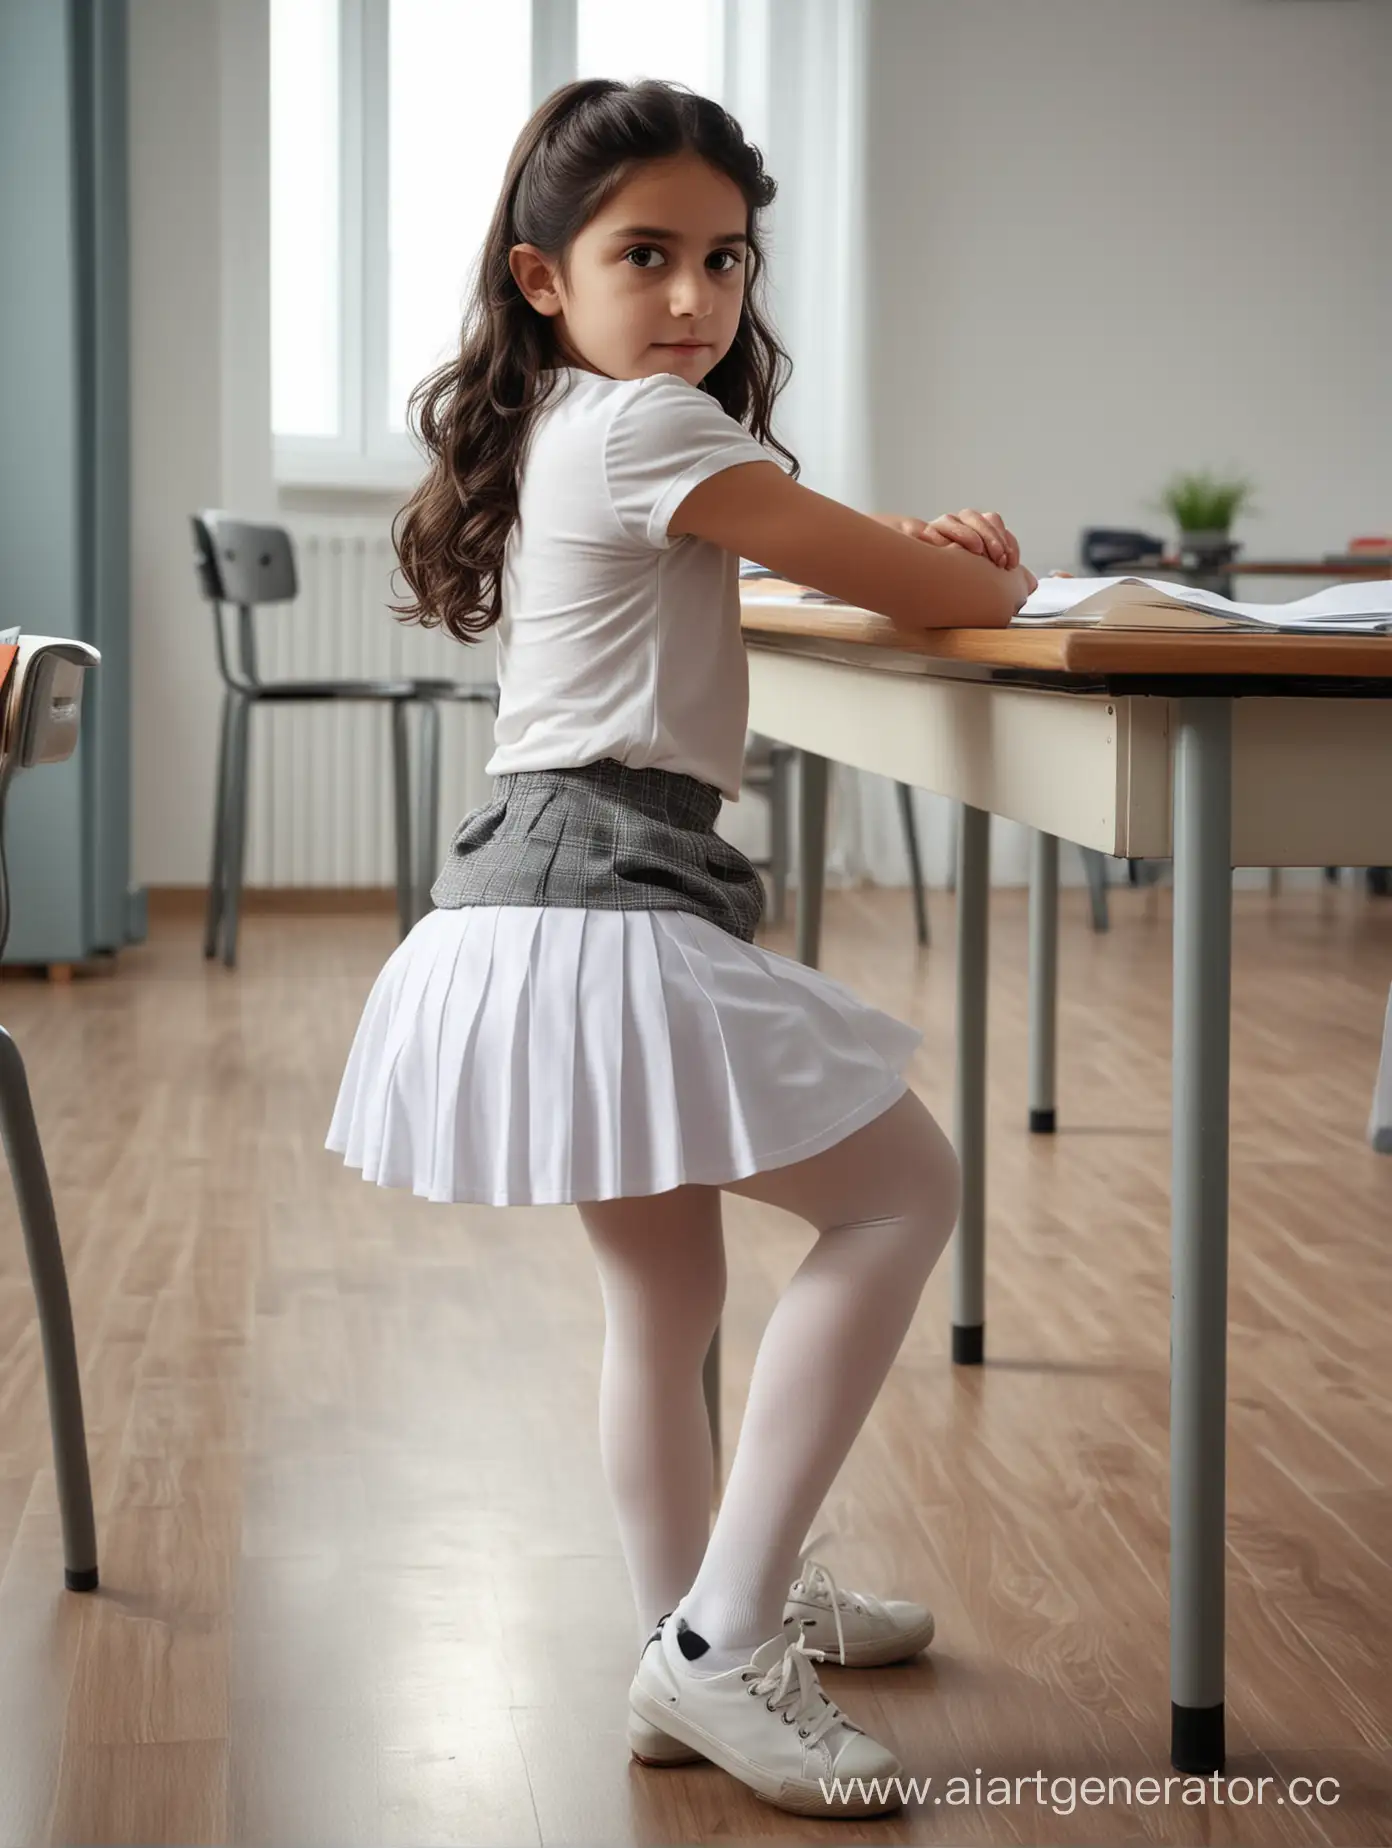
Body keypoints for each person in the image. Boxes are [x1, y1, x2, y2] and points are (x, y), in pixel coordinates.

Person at [327, 77, 1036, 1820]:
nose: (698, 300)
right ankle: (723, 1643)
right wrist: (981, 568)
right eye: (646, 255)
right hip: (601, 908)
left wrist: (896, 559)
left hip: (527, 893)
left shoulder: (594, 424)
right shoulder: (655, 430)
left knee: (663, 1293)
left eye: (727, 259)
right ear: (543, 276)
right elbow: (943, 597)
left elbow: (803, 572)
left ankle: (690, 1633)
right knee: (903, 1196)